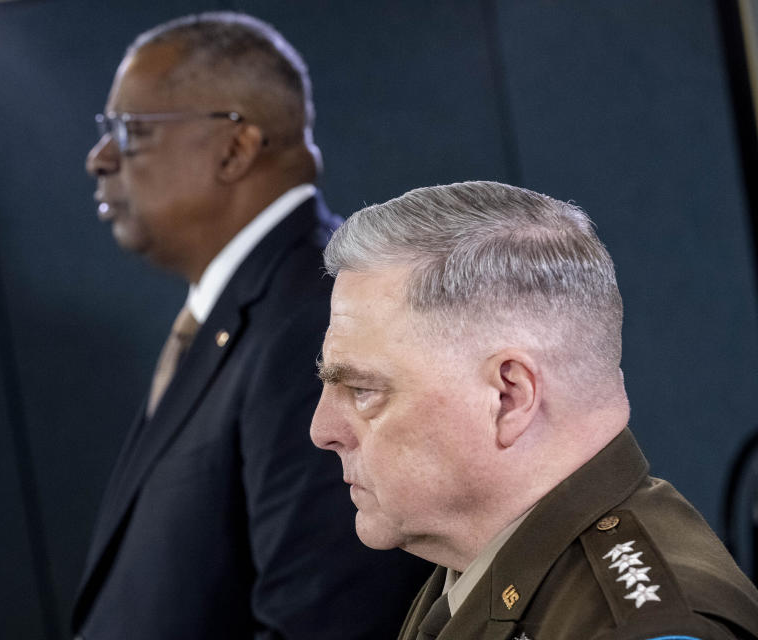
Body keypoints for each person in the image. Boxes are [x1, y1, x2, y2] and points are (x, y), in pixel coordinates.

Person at [75, 12, 431, 640]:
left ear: (235, 149)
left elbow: (327, 618)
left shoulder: (322, 315)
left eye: (129, 130)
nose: (99, 158)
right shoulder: (245, 311)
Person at [310, 181, 758, 639]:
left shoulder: (639, 627)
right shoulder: (476, 568)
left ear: (508, 398)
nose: (322, 430)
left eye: (363, 390)